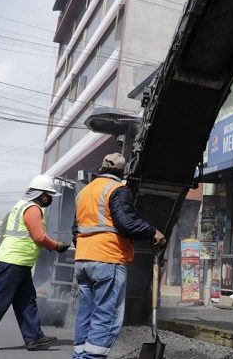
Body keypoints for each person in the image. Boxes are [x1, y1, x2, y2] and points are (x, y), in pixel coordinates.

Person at [72, 153, 165, 359]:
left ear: (102, 168)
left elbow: (75, 231)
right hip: (108, 258)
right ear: (123, 172)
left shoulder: (84, 192)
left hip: (83, 259)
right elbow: (127, 224)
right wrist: (152, 231)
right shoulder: (117, 189)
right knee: (107, 315)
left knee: (85, 313)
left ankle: (79, 355)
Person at [0, 174, 69, 353]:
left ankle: (34, 338)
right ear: (42, 195)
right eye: (49, 195)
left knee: (27, 301)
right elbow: (39, 237)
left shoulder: (21, 205)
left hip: (17, 262)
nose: (49, 199)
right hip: (14, 262)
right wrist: (57, 246)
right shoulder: (33, 209)